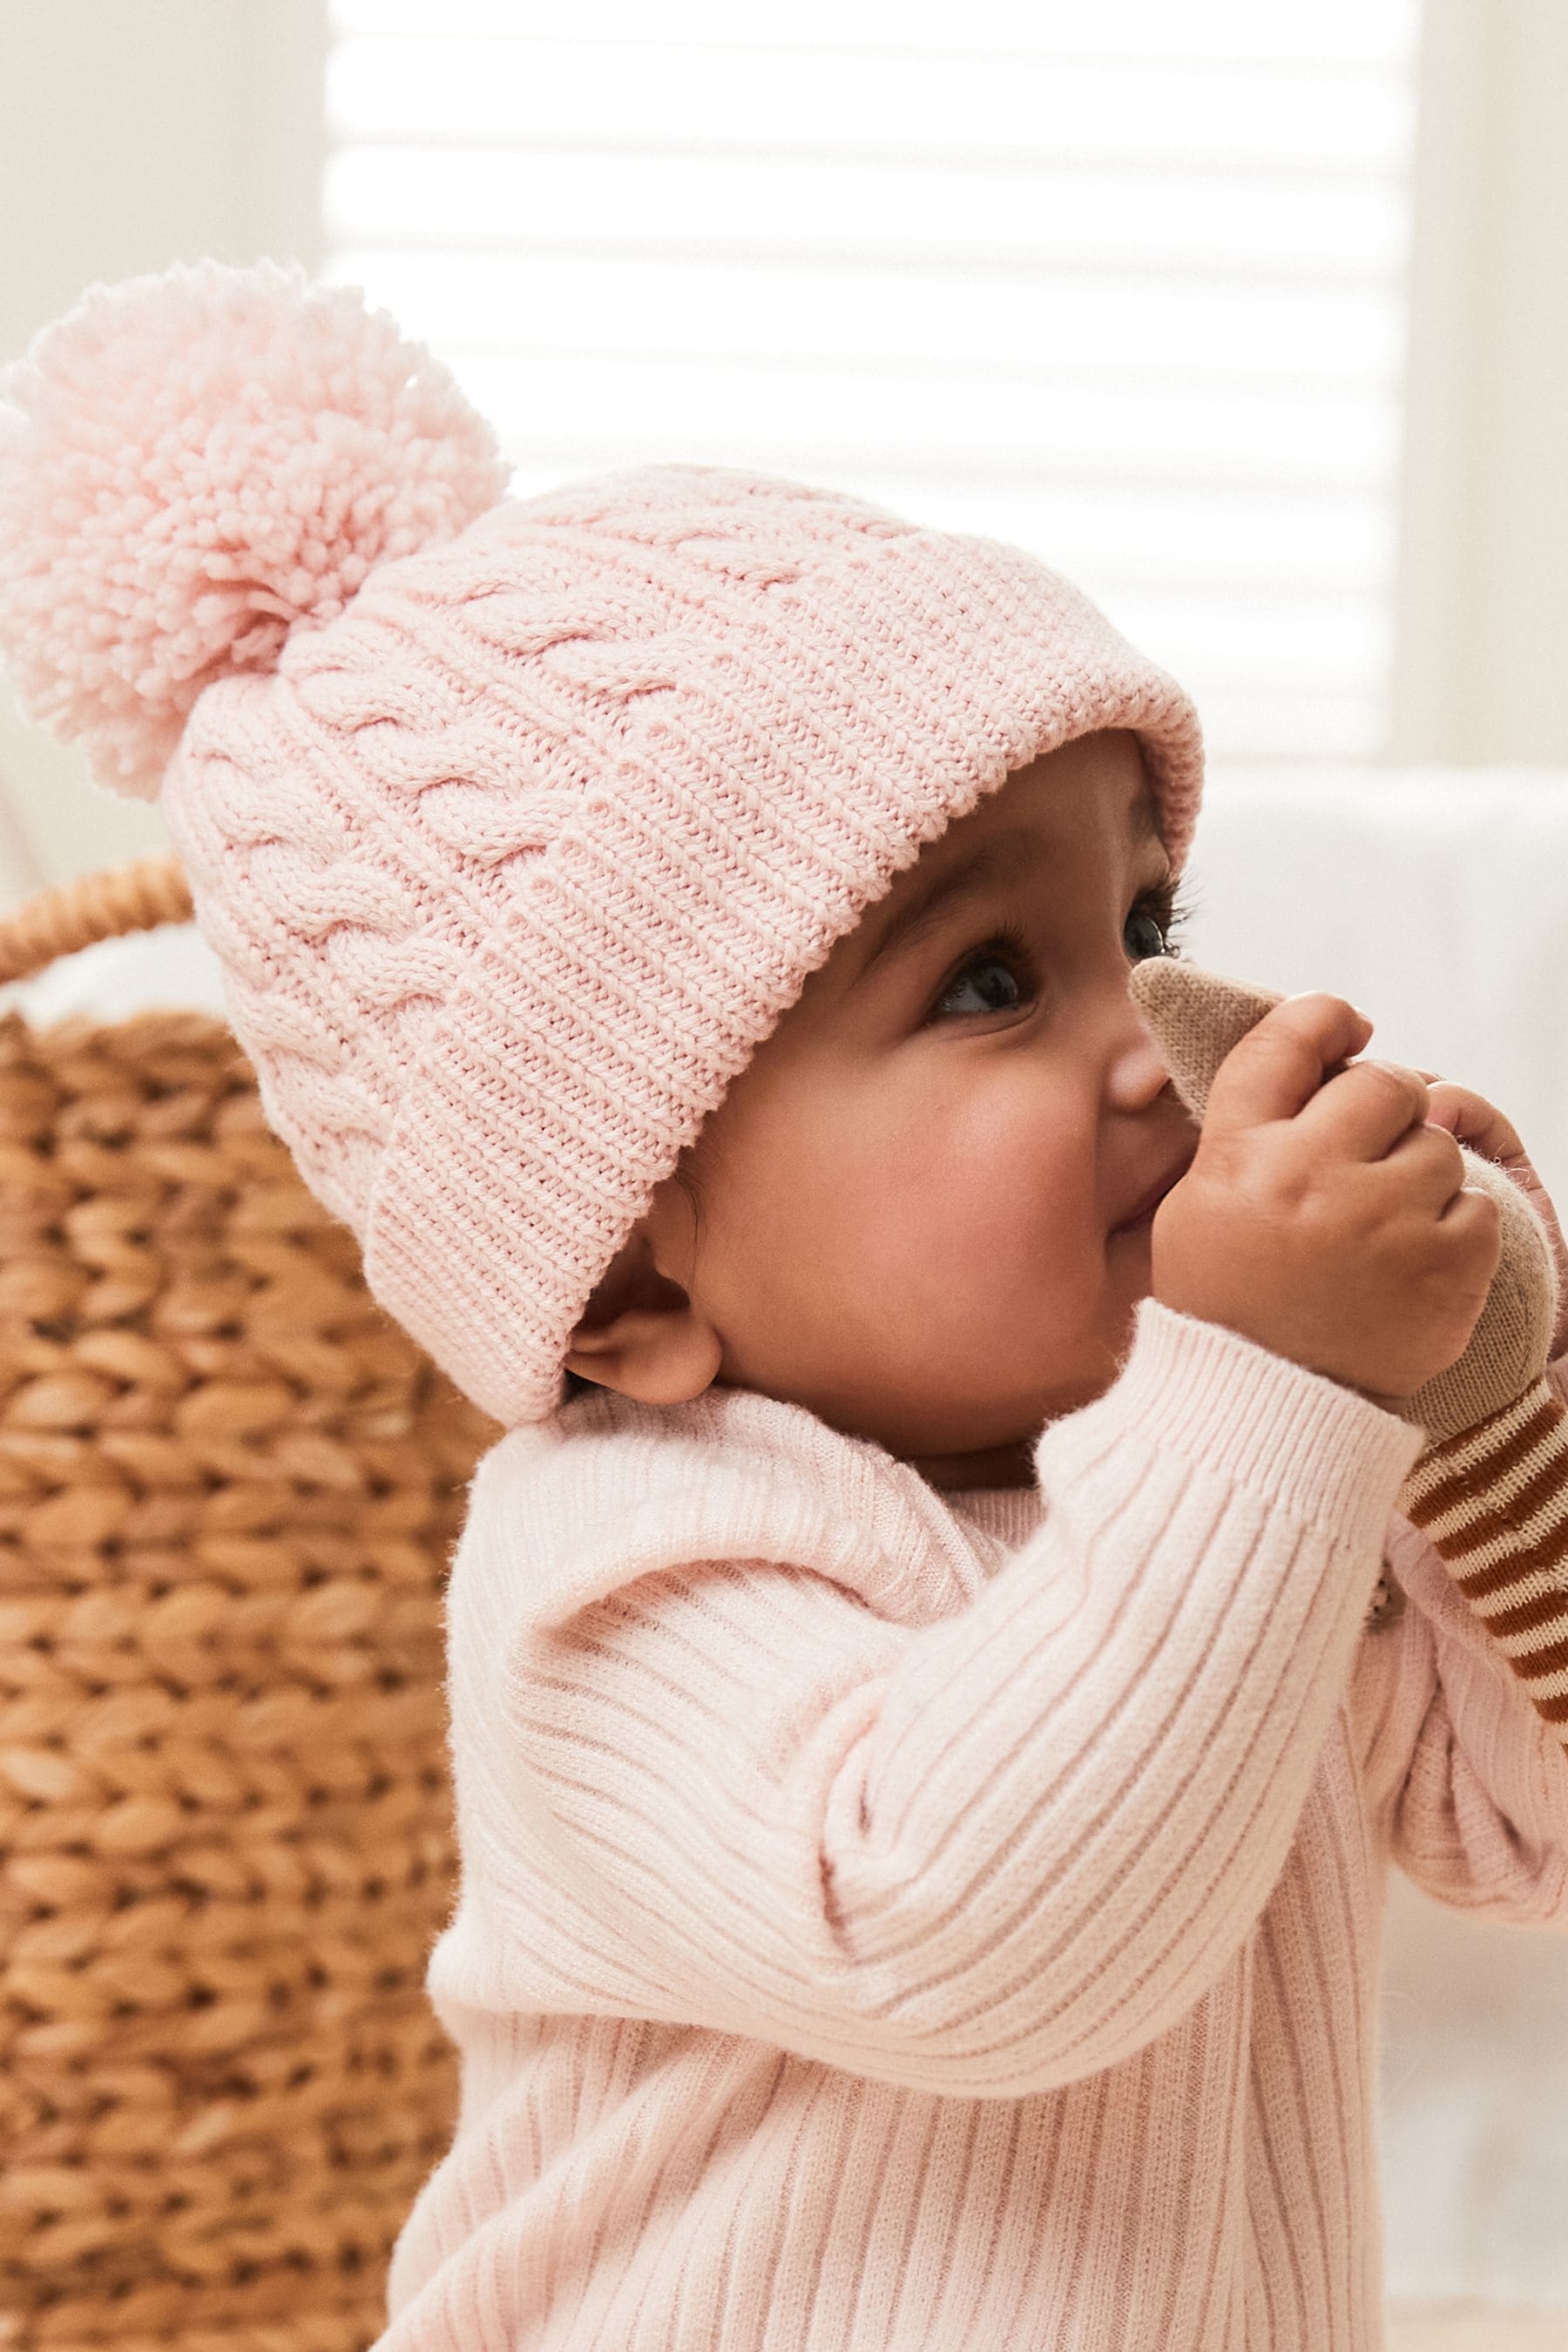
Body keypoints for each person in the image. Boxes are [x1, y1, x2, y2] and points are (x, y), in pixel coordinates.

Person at [2, 259, 1566, 2352]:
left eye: (1141, 923)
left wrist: (1484, 1399)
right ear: (632, 1279)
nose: (1153, 1041)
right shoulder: (636, 1571)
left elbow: (1514, 1828)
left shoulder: (1217, 1483)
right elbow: (981, 1939)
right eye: (989, 983)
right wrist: (1272, 1386)